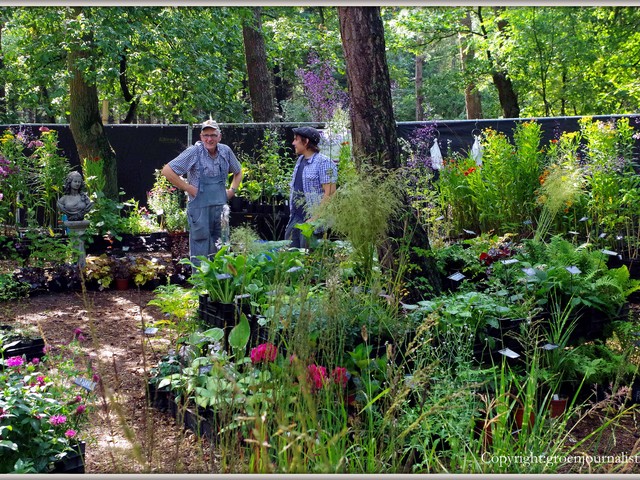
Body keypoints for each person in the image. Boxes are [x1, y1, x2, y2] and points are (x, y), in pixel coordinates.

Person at [161, 119, 242, 265]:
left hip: (220, 209)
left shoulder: (225, 151)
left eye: (213, 135)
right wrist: (188, 187)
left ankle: (221, 284)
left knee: (222, 245)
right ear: (201, 136)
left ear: (219, 136)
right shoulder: (194, 152)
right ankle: (201, 285)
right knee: (201, 249)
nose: (209, 139)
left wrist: (232, 190)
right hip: (199, 211)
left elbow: (238, 172)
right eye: (206, 135)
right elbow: (167, 171)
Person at [284, 126, 337, 248]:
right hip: (295, 217)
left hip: (312, 222)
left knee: (309, 260)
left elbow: (330, 194)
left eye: (296, 139)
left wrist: (315, 219)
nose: (293, 143)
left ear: (306, 141)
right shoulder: (300, 160)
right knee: (290, 256)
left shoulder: (324, 163)